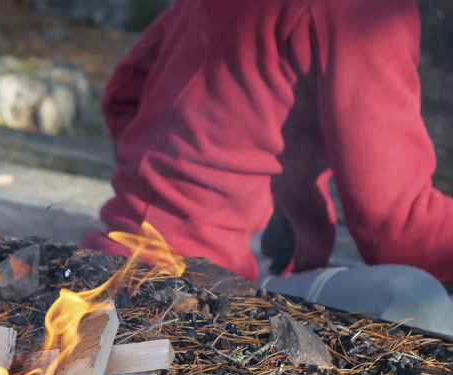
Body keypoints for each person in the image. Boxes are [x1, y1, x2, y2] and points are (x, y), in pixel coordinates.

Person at [83, 0, 453, 336]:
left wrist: (170, 185)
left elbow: (123, 94)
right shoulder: (365, 11)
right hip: (212, 295)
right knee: (417, 301)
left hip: (116, 263)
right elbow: (398, 228)